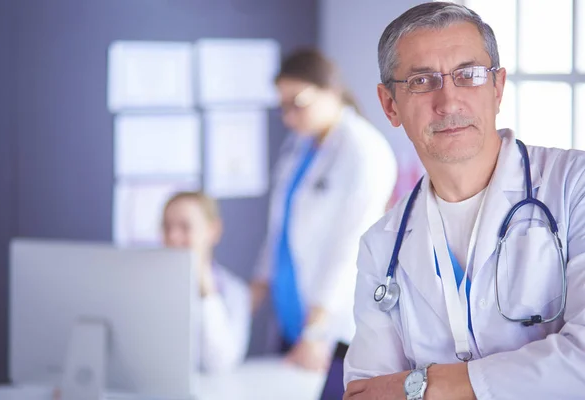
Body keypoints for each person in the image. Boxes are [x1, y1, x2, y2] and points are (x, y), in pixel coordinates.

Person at [343, 2, 585, 399]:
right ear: (390, 105)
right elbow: (365, 392)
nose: (449, 102)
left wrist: (425, 385)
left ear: (498, 87)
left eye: (468, 75)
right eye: (422, 81)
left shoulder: (573, 185)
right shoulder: (380, 245)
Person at [250, 48, 398, 371]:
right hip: (293, 317)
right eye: (283, 107)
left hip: (333, 328)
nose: (289, 117)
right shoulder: (299, 146)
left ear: (330, 90)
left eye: (298, 103)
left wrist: (316, 330)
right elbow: (281, 230)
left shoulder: (364, 150)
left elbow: (351, 246)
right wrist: (249, 298)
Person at [162, 191, 250, 373]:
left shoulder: (235, 292)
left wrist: (206, 290)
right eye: (166, 227)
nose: (172, 237)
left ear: (212, 230)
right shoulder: (146, 286)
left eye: (185, 227)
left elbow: (221, 363)